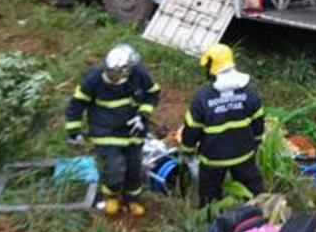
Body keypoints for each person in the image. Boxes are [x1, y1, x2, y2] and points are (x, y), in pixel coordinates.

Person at [65, 43, 161, 216]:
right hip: (105, 130)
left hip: (133, 131)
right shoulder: (94, 78)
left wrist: (142, 116)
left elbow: (152, 94)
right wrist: (74, 131)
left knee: (134, 167)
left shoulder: (139, 74)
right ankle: (111, 197)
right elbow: (76, 104)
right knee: (114, 167)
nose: (115, 78)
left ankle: (132, 199)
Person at [181, 43, 266, 207]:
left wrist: (187, 152)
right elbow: (258, 122)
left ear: (212, 67)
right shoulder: (249, 91)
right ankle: (257, 219)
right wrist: (255, 143)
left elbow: (191, 128)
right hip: (244, 155)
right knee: (253, 191)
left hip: (213, 159)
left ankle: (212, 223)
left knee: (209, 197)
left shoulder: (203, 97)